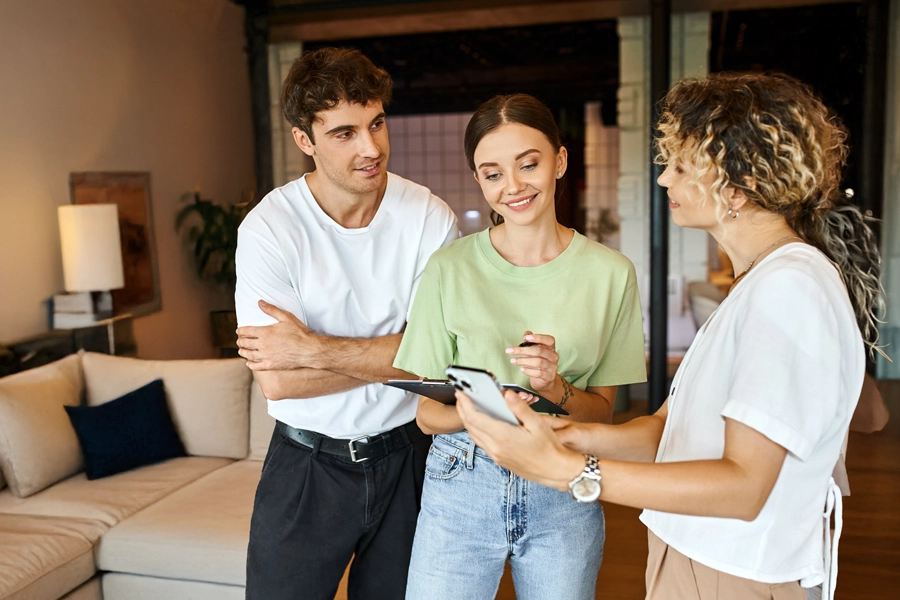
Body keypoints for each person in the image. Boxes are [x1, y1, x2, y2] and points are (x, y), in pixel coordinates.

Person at [456, 72, 887, 600]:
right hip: (694, 555)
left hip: (739, 573)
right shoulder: (759, 283)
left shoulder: (790, 289)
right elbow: (666, 433)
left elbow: (745, 486)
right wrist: (562, 436)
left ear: (736, 185)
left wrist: (570, 471)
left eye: (681, 166)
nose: (664, 180)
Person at [392, 94, 647, 600]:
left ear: (560, 161)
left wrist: (555, 386)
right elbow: (426, 416)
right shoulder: (449, 269)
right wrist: (494, 408)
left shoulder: (612, 274)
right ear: (479, 181)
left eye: (528, 164)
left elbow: (603, 418)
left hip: (563, 477)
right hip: (461, 478)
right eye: (492, 174)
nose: (513, 187)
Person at [234, 47, 458, 600]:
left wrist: (309, 348)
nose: (371, 148)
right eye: (344, 133)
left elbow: (441, 362)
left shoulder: (429, 217)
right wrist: (399, 356)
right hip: (306, 465)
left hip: (409, 458)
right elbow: (279, 381)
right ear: (303, 140)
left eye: (377, 123)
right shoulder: (269, 229)